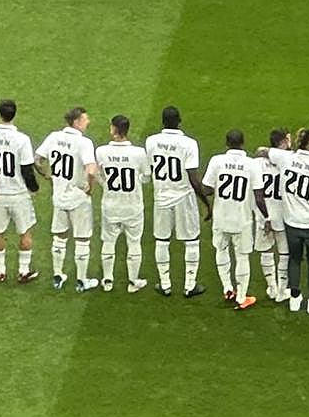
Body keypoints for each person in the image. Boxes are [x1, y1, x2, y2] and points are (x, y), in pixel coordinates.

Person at [145, 106, 209, 298]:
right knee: (191, 241)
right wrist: (206, 202)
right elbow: (193, 177)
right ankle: (190, 286)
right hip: (184, 197)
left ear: (162, 121)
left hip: (162, 196)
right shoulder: (189, 144)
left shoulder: (151, 141)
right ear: (179, 120)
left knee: (162, 240)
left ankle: (165, 284)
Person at [269, 128, 309, 315]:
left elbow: (264, 152)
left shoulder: (284, 158)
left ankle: (295, 298)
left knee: (294, 259)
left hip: (291, 221)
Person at [201, 130, 267, 310]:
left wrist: (210, 203)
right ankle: (241, 297)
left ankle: (227, 288)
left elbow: (205, 189)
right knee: (242, 257)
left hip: (221, 218)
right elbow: (259, 197)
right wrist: (267, 217)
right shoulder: (252, 165)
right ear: (243, 143)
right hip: (242, 220)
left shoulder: (216, 161)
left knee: (221, 250)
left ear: (226, 143)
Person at [35, 107, 99, 292]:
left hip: (59, 196)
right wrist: (89, 187)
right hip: (78, 197)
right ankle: (81, 280)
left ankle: (58, 275)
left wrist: (48, 176)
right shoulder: (84, 142)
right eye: (85, 119)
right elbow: (91, 169)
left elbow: (37, 160)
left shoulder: (53, 137)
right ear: (77, 122)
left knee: (59, 237)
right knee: (82, 238)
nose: (88, 122)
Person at [0, 99, 38, 283]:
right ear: (14, 114)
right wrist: (34, 188)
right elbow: (27, 168)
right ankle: (23, 270)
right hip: (18, 193)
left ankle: (0, 271)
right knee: (25, 231)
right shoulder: (22, 139)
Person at [95, 115, 150, 292]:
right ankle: (133, 282)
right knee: (134, 242)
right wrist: (137, 182)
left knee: (108, 241)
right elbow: (147, 176)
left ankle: (107, 280)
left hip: (110, 204)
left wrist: (105, 185)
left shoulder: (101, 151)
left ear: (113, 129)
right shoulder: (139, 153)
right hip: (132, 205)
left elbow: (96, 174)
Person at [256, 128, 291, 302]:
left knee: (266, 251)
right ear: (283, 142)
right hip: (283, 213)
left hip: (264, 213)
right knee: (284, 253)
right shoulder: (290, 161)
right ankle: (282, 291)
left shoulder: (258, 163)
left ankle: (272, 287)